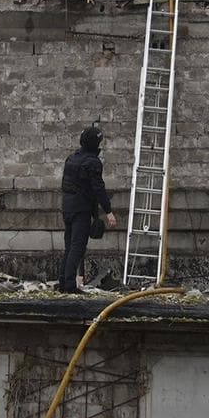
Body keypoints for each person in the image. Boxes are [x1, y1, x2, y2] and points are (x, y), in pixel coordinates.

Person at [59, 125, 117, 294]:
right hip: (80, 209)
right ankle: (69, 285)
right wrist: (108, 211)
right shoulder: (92, 163)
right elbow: (98, 188)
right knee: (77, 247)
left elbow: (67, 184)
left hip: (68, 207)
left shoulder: (71, 158)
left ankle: (64, 282)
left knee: (69, 247)